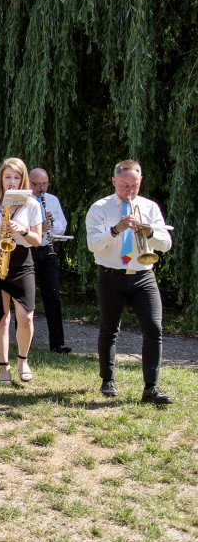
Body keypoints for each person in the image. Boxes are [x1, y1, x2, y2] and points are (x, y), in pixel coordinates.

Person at [86, 159, 173, 404]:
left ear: (140, 181)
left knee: (154, 329)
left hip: (143, 276)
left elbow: (166, 244)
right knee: (109, 329)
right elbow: (93, 244)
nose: (130, 191)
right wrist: (115, 229)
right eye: (124, 185)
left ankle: (151, 388)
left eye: (134, 185)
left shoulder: (149, 207)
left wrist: (150, 232)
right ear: (114, 181)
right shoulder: (100, 208)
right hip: (111, 275)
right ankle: (108, 380)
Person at [0, 157, 43, 385]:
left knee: (26, 317)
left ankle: (23, 360)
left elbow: (37, 241)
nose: (12, 181)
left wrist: (22, 230)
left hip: (22, 260)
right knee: (1, 318)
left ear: (23, 179)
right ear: (1, 179)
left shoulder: (32, 204)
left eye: (16, 177)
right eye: (7, 177)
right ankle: (3, 366)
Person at [29, 168, 71, 354]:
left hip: (48, 250)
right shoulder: (22, 200)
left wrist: (51, 225)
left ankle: (57, 343)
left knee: (53, 297)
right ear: (29, 182)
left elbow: (62, 225)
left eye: (45, 183)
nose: (42, 188)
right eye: (37, 184)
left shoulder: (51, 200)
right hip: (28, 251)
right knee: (26, 298)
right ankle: (24, 342)